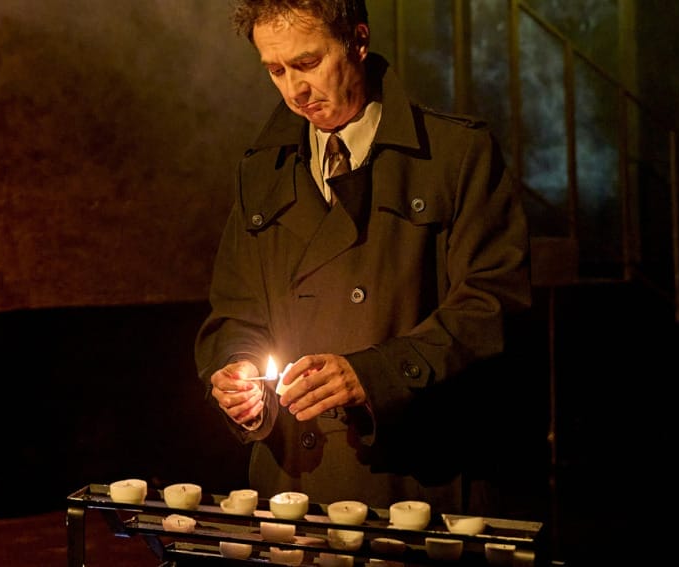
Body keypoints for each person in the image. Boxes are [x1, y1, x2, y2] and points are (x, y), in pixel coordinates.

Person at [194, 0, 531, 518]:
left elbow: (492, 306)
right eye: (275, 70)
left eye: (307, 64)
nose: (293, 91)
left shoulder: (455, 154)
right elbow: (235, 315)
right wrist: (238, 376)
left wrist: (374, 375)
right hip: (293, 492)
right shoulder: (261, 171)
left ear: (358, 41)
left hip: (416, 485)